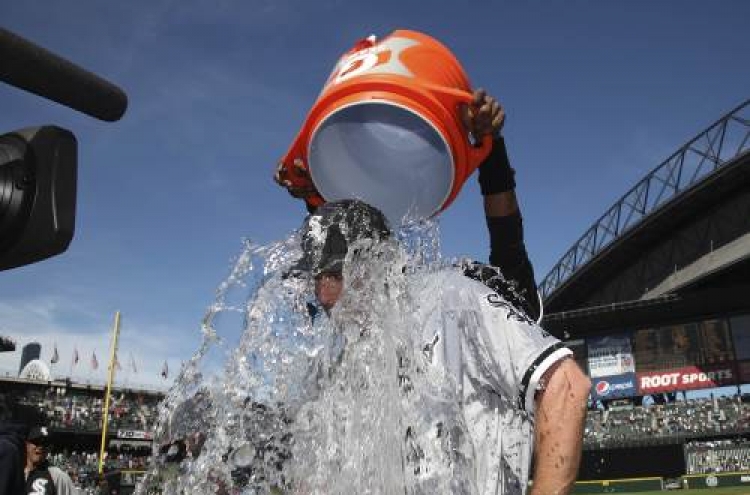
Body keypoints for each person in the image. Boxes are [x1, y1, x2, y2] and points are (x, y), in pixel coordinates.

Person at [292, 199, 590, 494]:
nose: (323, 296)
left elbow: (565, 386)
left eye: (335, 274)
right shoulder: (354, 358)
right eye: (316, 278)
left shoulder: (450, 300)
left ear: (377, 262)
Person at [274, 90, 541, 321]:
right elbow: (337, 290)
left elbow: (507, 237)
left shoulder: (505, 313)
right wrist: (320, 192)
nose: (327, 295)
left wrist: (491, 148)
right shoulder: (395, 326)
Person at [24, 426, 77, 495]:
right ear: (26, 444)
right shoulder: (13, 471)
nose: (40, 447)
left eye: (45, 444)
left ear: (50, 448)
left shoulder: (58, 476)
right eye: (36, 442)